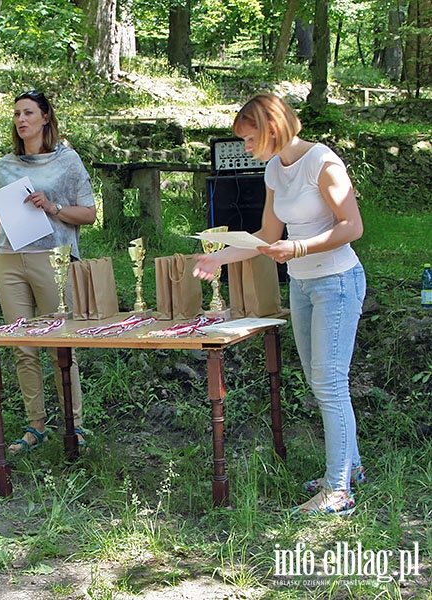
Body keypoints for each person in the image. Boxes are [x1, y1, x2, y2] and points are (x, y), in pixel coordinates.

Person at [192, 93, 366, 516]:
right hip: (303, 286)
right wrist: (220, 257)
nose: (246, 149)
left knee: (329, 383)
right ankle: (352, 467)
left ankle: (339, 490)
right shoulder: (274, 169)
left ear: (272, 129)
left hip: (337, 282)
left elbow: (353, 226)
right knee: (319, 380)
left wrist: (301, 247)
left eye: (250, 140)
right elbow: (267, 235)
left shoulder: (323, 163)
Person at [0, 91, 97, 453]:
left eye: (28, 113)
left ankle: (75, 424)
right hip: (10, 260)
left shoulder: (68, 161)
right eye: (16, 114)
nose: (21, 120)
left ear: (45, 117)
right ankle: (35, 426)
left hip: (53, 259)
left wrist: (53, 206)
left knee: (61, 344)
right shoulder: (5, 166)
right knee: (22, 346)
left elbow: (89, 214)